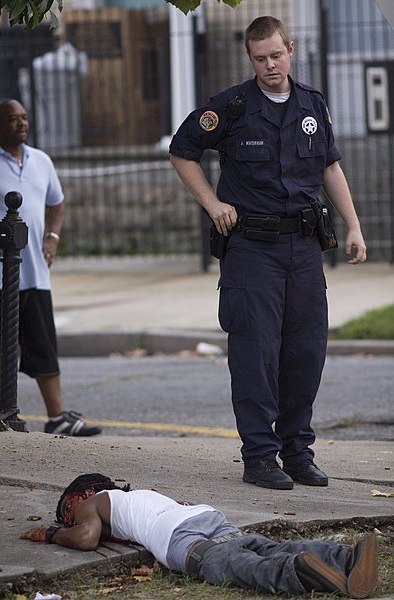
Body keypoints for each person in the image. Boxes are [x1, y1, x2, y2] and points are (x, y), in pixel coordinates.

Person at [169, 16, 367, 490]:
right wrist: (212, 203)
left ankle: (297, 451)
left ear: (290, 49)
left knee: (305, 352)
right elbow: (182, 150)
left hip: (303, 247)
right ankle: (260, 457)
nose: (270, 65)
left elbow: (329, 166)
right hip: (252, 250)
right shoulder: (233, 108)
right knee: (256, 354)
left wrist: (354, 226)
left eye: (276, 55)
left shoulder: (311, 104)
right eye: (260, 58)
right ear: (250, 58)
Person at [21, 473, 378, 598]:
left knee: (231, 565)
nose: (68, 519)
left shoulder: (93, 502)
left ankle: (300, 571)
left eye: (66, 511)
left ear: (82, 495)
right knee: (264, 547)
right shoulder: (141, 496)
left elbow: (85, 538)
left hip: (179, 535)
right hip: (205, 516)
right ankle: (343, 557)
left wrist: (54, 533)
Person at [0, 99, 101, 436]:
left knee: (43, 344)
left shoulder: (41, 160)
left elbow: (57, 202)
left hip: (35, 273)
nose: (21, 124)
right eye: (13, 119)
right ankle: (2, 415)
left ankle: (58, 417)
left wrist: (52, 238)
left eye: (24, 118)